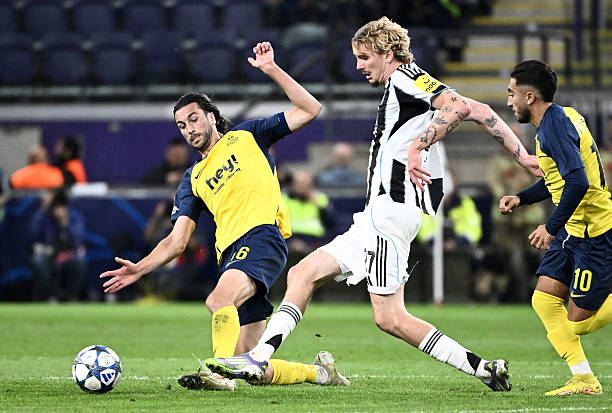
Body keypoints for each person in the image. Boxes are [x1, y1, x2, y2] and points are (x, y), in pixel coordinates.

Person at [205, 17, 540, 391]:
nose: (358, 66)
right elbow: (483, 111)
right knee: (303, 275)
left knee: (390, 317)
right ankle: (258, 357)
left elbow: (458, 107)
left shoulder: (406, 78)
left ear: (388, 53)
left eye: (364, 57)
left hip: (391, 210)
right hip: (377, 216)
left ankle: (481, 368)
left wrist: (420, 144)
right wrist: (523, 156)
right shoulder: (414, 82)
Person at [100, 42, 349, 391]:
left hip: (261, 237)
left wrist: (271, 69)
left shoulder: (247, 136)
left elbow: (311, 108)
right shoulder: (192, 179)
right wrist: (140, 268)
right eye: (181, 125)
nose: (188, 129)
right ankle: (321, 373)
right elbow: (177, 241)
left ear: (211, 117)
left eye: (193, 119)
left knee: (218, 300)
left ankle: (216, 375)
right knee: (250, 365)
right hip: (230, 255)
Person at [500, 60, 612, 396]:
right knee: (544, 301)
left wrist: (549, 228)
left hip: (593, 232)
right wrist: (522, 198)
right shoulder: (565, 116)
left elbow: (577, 182)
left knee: (580, 323)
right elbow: (559, 180)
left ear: (530, 96)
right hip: (573, 230)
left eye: (512, 93)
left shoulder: (552, 130)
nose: (509, 101)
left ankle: (584, 379)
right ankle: (584, 379)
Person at [29, 189, 87, 302]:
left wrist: (65, 223)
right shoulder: (45, 217)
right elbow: (32, 235)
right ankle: (50, 296)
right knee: (38, 260)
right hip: (50, 255)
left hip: (69, 255)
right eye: (56, 207)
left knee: (80, 260)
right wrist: (42, 210)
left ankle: (71, 296)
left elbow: (76, 241)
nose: (59, 211)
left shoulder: (74, 217)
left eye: (62, 207)